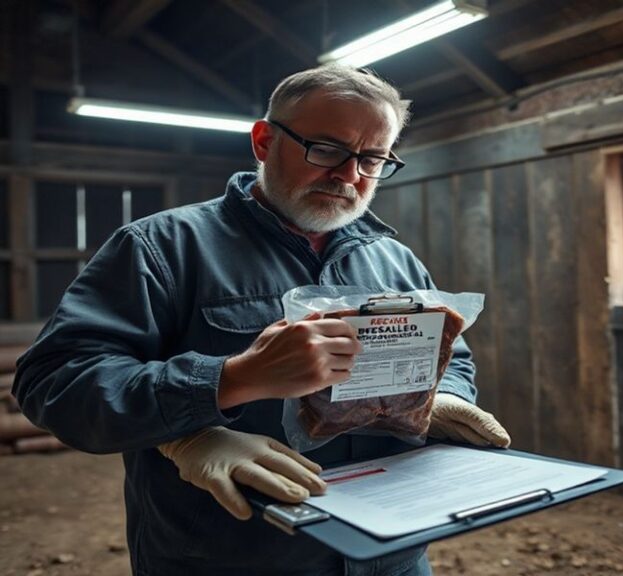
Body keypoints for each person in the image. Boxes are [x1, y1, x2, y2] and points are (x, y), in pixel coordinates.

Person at [13, 65, 510, 576]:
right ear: (264, 141)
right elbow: (54, 382)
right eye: (327, 149)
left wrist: (444, 395)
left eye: (372, 159)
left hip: (391, 555)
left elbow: (452, 360)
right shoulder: (161, 248)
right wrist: (225, 388)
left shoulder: (395, 260)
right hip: (232, 555)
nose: (349, 175)